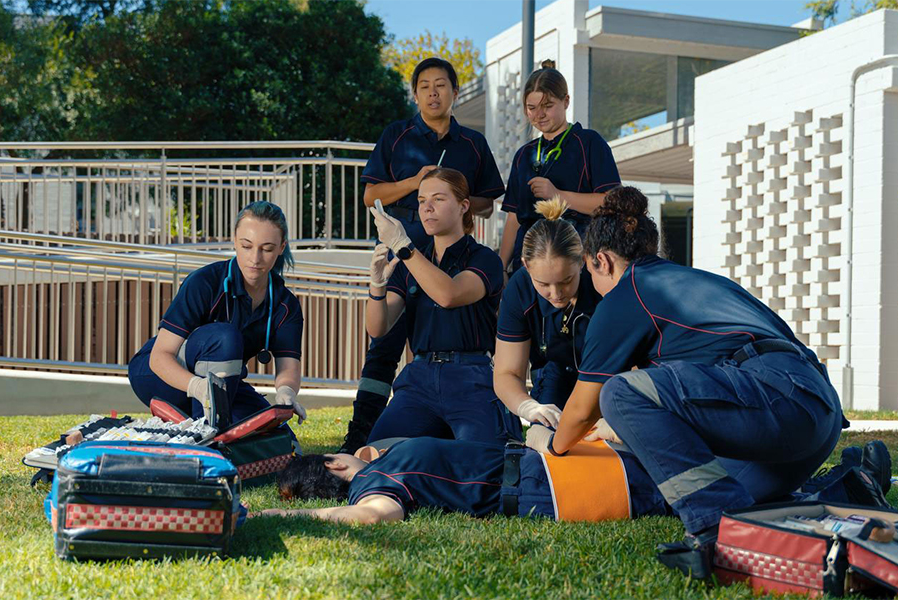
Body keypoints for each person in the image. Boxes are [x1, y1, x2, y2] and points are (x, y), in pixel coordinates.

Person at [522, 186, 850, 574]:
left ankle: (716, 532)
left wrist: (549, 443)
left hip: (778, 403)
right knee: (732, 487)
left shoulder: (626, 294)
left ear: (602, 261)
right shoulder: (695, 282)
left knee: (619, 394)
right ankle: (848, 485)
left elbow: (582, 410)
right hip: (816, 416)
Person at [342, 57, 506, 453]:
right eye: (425, 86)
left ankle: (458, 424)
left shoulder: (472, 143)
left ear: (454, 92)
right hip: (405, 259)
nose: (433, 93)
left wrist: (457, 197)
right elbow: (370, 196)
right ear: (415, 94)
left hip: (454, 261)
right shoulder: (397, 135)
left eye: (441, 85)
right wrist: (415, 184)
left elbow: (488, 198)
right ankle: (360, 435)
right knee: (383, 351)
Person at [251, 439, 890, 527]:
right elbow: (377, 514)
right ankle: (842, 481)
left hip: (546, 480)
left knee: (692, 486)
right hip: (547, 480)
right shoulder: (383, 467)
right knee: (693, 484)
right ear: (337, 462)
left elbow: (375, 514)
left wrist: (274, 518)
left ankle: (840, 482)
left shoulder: (378, 468)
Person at [364, 167, 517, 446]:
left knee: (486, 462)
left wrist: (402, 244)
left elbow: (449, 295)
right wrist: (376, 285)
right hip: (419, 379)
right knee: (377, 454)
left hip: (472, 375)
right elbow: (378, 328)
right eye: (421, 201)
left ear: (463, 206)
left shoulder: (484, 259)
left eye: (438, 199)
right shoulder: (410, 261)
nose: (427, 208)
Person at [128, 201, 306, 441]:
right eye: (246, 246)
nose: (255, 258)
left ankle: (210, 426)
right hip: (157, 373)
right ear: (234, 241)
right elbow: (159, 357)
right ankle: (205, 435)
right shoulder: (204, 282)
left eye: (267, 248)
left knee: (281, 438)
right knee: (226, 337)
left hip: (220, 383)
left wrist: (286, 394)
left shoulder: (286, 305)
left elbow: (288, 369)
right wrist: (197, 387)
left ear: (281, 247)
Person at [498, 60, 620, 276]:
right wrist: (500, 267)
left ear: (566, 101)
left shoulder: (589, 143)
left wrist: (558, 196)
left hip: (576, 262)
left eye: (547, 106)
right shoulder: (524, 155)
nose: (539, 115)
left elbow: (611, 204)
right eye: (532, 108)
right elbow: (514, 218)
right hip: (527, 263)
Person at [493, 197, 601, 427]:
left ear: (582, 261)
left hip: (603, 380)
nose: (556, 293)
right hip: (552, 378)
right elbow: (506, 373)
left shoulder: (602, 282)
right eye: (543, 284)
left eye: (566, 281)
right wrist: (528, 407)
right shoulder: (519, 288)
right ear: (525, 266)